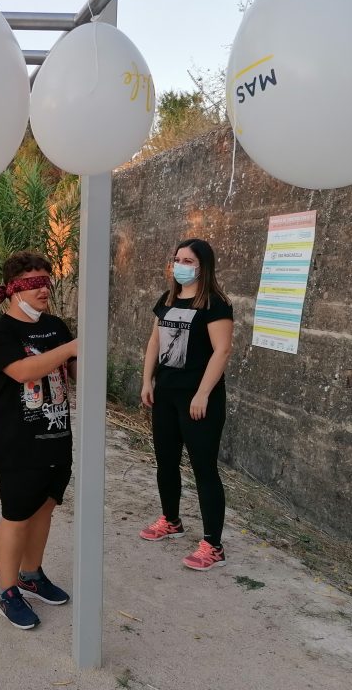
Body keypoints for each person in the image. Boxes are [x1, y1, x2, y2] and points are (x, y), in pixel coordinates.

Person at [0, 252, 77, 630]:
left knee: (44, 509)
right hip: (16, 440)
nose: (43, 289)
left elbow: (73, 373)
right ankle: (8, 592)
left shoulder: (56, 326)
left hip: (57, 435)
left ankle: (31, 574)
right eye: (33, 283)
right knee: (17, 514)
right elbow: (21, 371)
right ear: (12, 290)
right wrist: (70, 349)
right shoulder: (1, 331)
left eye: (46, 282)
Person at [139, 238, 234, 571]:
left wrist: (203, 393)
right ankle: (171, 521)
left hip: (198, 400)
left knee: (204, 470)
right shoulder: (167, 299)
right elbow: (155, 341)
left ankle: (213, 546)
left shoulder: (215, 304)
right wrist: (147, 380)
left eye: (188, 260)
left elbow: (221, 351)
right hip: (166, 394)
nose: (180, 265)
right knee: (165, 462)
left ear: (203, 266)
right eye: (177, 259)